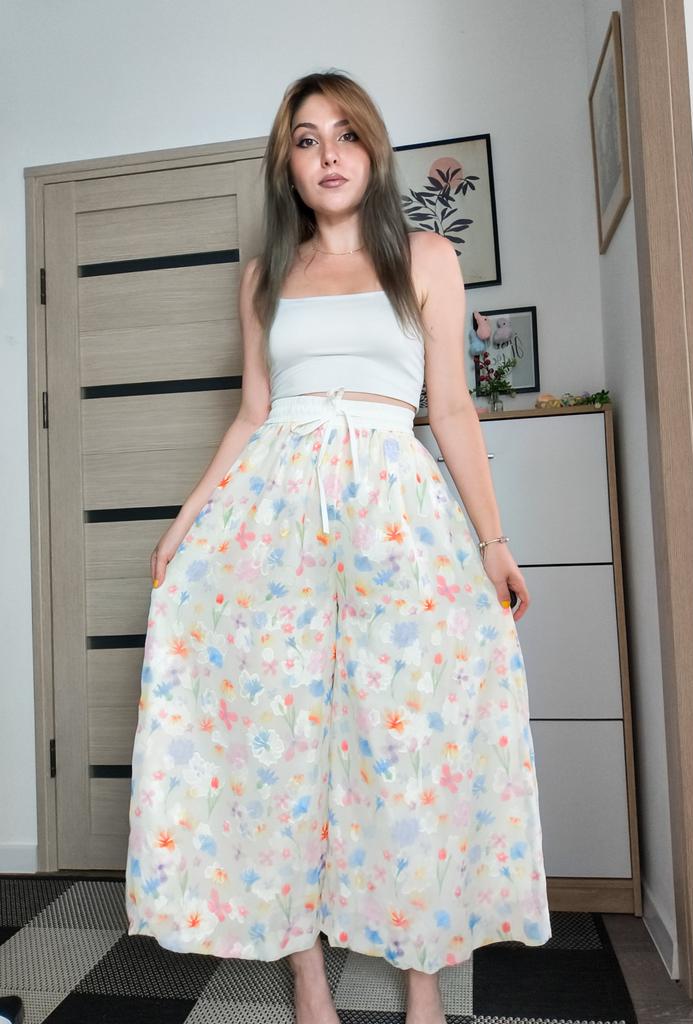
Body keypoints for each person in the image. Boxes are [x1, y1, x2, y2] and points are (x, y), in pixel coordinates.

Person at [125, 69, 552, 1024]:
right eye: (308, 138)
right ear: (288, 164)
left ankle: (421, 975)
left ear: (373, 152)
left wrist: (493, 540)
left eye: (346, 134)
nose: (329, 154)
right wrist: (187, 518)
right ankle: (305, 971)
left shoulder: (427, 258)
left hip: (394, 514)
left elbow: (450, 407)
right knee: (280, 739)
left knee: (404, 738)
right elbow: (252, 413)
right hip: (275, 517)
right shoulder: (262, 277)